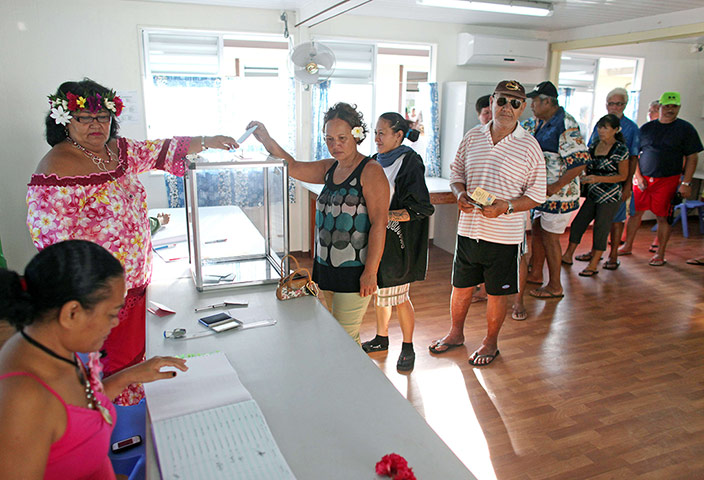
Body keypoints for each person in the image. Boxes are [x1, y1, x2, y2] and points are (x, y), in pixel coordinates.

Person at [27, 79, 236, 404]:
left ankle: (140, 419)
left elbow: (160, 149)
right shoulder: (56, 167)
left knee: (138, 364)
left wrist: (208, 140)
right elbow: (52, 245)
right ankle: (114, 433)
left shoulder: (118, 150)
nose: (96, 124)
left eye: (103, 116)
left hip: (137, 285)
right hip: (97, 296)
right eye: (84, 117)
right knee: (110, 372)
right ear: (64, 119)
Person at [0, 240, 187, 479]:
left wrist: (130, 375)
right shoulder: (23, 400)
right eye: (111, 314)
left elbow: (80, 413)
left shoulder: (55, 343)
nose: (116, 322)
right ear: (72, 313)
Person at [248, 104, 389, 344]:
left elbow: (379, 224)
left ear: (356, 135)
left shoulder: (371, 171)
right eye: (329, 139)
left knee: (344, 339)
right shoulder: (329, 168)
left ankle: (356, 380)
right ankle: (347, 379)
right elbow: (292, 166)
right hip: (326, 266)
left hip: (355, 270)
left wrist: (370, 272)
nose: (335, 145)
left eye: (342, 138)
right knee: (338, 335)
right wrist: (266, 139)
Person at [428, 80, 546, 366]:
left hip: (504, 236)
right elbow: (456, 174)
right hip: (469, 230)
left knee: (496, 293)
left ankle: (490, 343)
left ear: (524, 108)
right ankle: (455, 334)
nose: (507, 108)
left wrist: (506, 207)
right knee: (461, 287)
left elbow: (537, 195)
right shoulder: (473, 136)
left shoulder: (529, 146)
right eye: (502, 100)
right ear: (492, 101)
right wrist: (460, 194)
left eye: (515, 103)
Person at [359, 113, 434, 372]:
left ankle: (409, 346)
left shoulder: (409, 162)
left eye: (382, 133)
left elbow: (421, 208)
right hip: (377, 240)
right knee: (381, 292)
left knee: (399, 296)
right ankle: (381, 339)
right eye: (375, 132)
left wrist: (383, 217)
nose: (377, 138)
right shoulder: (372, 161)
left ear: (398, 135)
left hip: (398, 243)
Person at [619, 91, 702, 266]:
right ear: (660, 107)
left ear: (679, 107)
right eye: (667, 106)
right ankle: (627, 245)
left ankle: (660, 254)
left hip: (668, 180)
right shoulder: (647, 128)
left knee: (663, 217)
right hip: (643, 180)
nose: (670, 109)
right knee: (634, 214)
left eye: (674, 106)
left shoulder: (685, 129)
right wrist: (638, 176)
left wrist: (686, 183)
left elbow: (693, 157)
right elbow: (635, 154)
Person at [523, 81, 589, 298]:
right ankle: (535, 274)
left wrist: (555, 186)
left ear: (547, 101)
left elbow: (579, 162)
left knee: (551, 238)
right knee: (538, 229)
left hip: (559, 194)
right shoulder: (540, 122)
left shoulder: (566, 124)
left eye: (535, 101)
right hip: (541, 192)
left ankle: (555, 285)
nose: (532, 105)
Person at [580, 88, 640, 270]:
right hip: (596, 185)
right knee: (599, 221)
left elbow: (633, 158)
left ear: (625, 105)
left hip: (617, 184)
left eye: (619, 104)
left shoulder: (631, 128)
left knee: (616, 220)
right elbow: (590, 149)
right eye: (611, 103)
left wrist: (628, 184)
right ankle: (594, 253)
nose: (615, 107)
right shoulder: (601, 124)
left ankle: (613, 255)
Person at [561, 115, 629, 275]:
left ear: (616, 130)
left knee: (601, 227)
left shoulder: (620, 149)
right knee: (579, 222)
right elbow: (585, 165)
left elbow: (622, 176)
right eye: (600, 127)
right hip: (593, 193)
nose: (601, 131)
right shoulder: (594, 145)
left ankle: (593, 264)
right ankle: (568, 254)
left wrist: (597, 178)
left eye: (605, 127)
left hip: (610, 195)